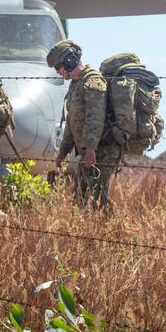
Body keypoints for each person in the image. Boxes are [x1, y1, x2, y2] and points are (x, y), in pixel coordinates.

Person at [47, 40, 119, 211]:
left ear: (70, 61)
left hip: (102, 149)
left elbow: (95, 117)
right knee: (81, 196)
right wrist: (63, 152)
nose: (59, 71)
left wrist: (91, 149)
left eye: (59, 67)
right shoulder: (76, 84)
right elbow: (73, 121)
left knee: (96, 197)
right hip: (89, 151)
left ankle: (114, 231)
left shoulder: (93, 81)